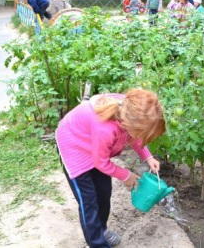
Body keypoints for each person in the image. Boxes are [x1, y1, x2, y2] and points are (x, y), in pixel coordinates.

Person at [56, 89, 166, 247]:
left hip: (95, 145)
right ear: (130, 124)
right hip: (74, 147)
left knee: (103, 192)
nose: (141, 136)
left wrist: (147, 156)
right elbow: (101, 163)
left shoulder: (129, 110)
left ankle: (102, 228)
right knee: (88, 201)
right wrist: (126, 176)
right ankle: (97, 243)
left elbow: (134, 136)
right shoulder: (105, 128)